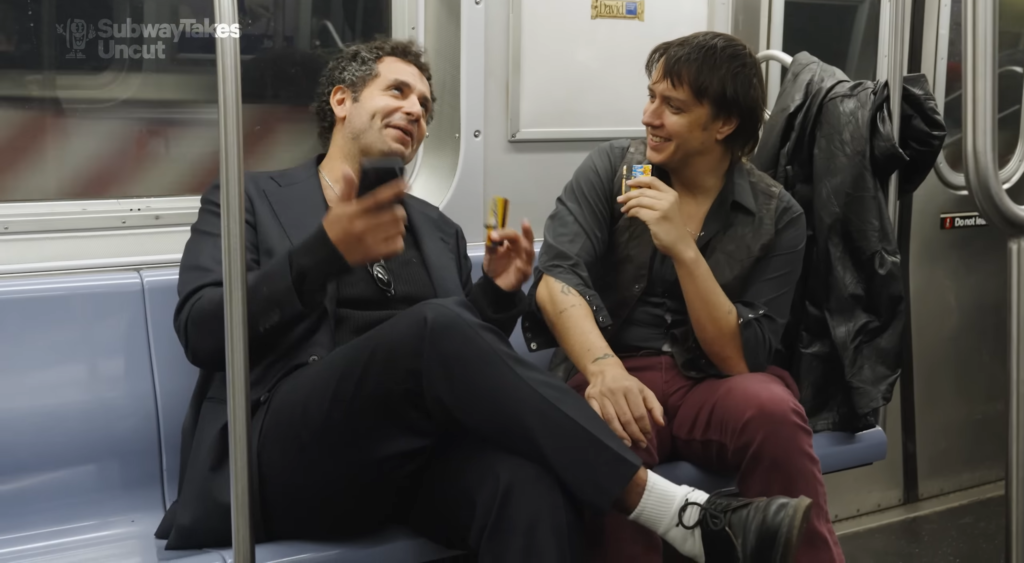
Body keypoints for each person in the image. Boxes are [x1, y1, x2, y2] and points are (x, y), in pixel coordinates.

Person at [155, 37, 813, 563]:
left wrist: (497, 298)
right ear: (341, 102)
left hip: (406, 459)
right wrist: (324, 250)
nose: (416, 109)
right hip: (290, 450)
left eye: (426, 104)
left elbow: (458, 365)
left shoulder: (435, 230)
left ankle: (673, 513)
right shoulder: (250, 198)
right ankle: (675, 511)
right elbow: (203, 331)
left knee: (528, 491)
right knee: (432, 326)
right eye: (398, 91)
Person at [526, 31, 845, 563]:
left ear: (723, 124)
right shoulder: (612, 169)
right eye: (651, 97)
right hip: (617, 364)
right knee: (608, 430)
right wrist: (605, 369)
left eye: (672, 106)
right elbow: (557, 278)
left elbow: (741, 357)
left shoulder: (778, 214)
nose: (650, 116)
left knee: (772, 409)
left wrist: (683, 250)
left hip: (711, 382)